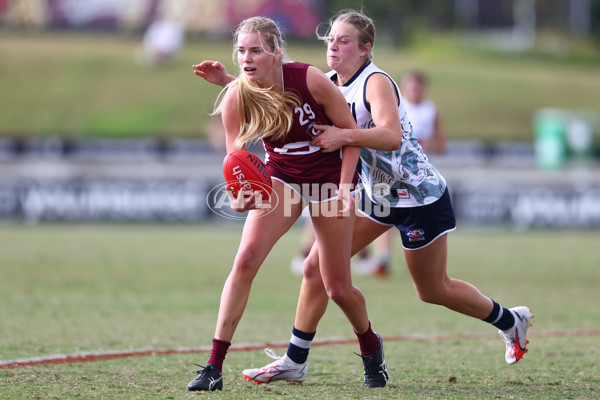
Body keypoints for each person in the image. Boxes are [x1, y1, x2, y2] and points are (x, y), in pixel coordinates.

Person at [194, 9, 532, 387]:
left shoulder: (375, 82)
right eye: (330, 41)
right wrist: (230, 80)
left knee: (433, 290)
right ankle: (295, 359)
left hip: (418, 196)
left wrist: (343, 137)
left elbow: (391, 137)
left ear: (365, 49)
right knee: (314, 270)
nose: (333, 48)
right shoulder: (329, 82)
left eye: (343, 41)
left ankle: (508, 319)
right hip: (378, 194)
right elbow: (278, 93)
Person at [187, 16, 387, 392]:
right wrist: (241, 194)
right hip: (283, 178)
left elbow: (350, 137)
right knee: (245, 259)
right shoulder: (235, 96)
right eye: (242, 51)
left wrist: (345, 189)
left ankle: (370, 345)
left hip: (329, 180)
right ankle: (213, 366)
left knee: (338, 288)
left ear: (276, 52)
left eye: (256, 50)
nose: (247, 58)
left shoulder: (310, 78)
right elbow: (236, 160)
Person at [400, 70, 447, 154]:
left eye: (417, 88)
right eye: (412, 88)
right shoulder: (397, 107)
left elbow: (441, 145)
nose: (414, 91)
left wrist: (428, 145)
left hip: (424, 157)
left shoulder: (431, 110)